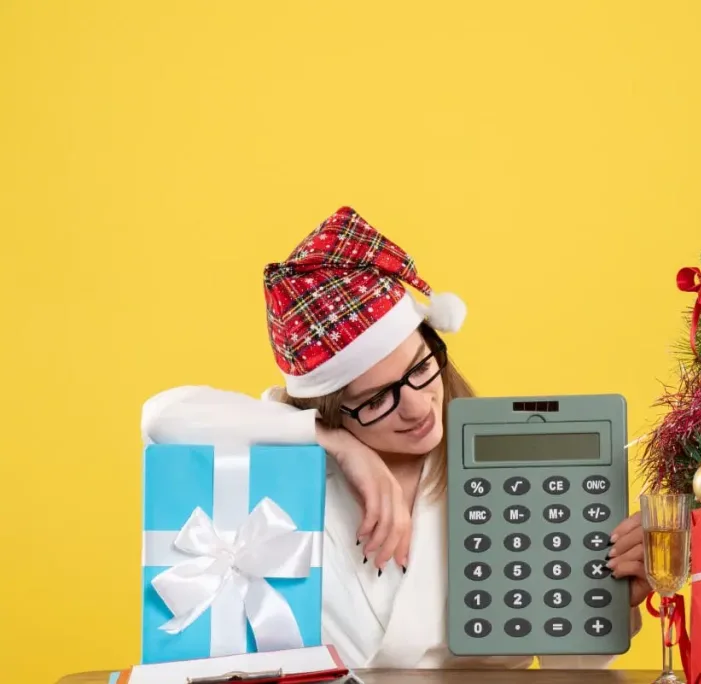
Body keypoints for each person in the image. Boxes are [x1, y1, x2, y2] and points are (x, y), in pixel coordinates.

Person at [141, 206, 650, 669]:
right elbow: (163, 417)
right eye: (376, 399)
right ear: (329, 411)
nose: (417, 407)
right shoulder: (293, 462)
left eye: (420, 368)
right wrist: (338, 447)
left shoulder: (512, 467)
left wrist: (608, 597)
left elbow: (571, 670)